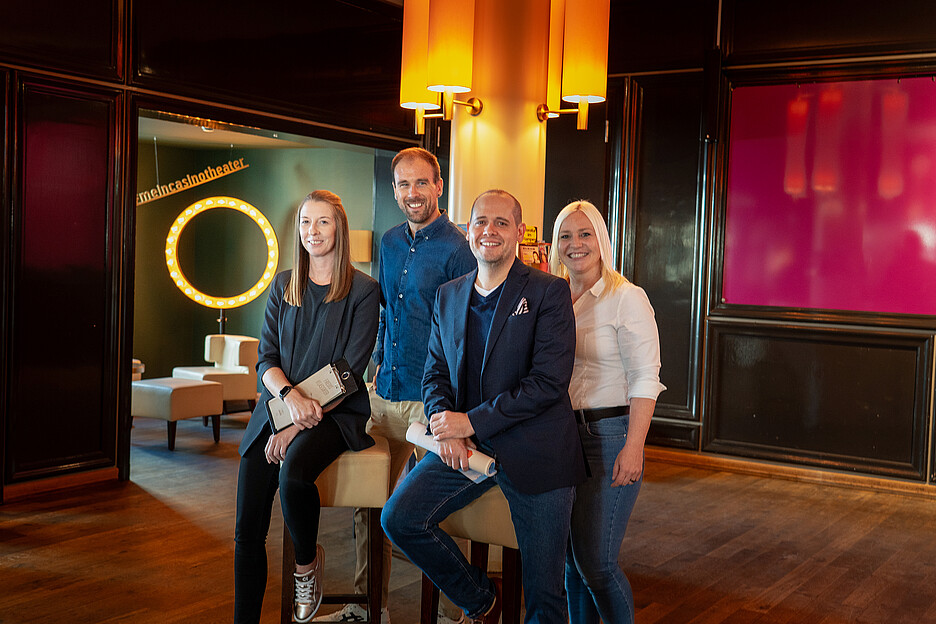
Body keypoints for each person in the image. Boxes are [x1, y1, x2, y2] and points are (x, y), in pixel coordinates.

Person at [381, 189, 586, 624]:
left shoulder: (549, 292)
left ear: (518, 231)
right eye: (479, 222)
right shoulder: (449, 294)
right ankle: (480, 600)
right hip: (467, 445)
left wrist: (467, 420)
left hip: (538, 451)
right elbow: (434, 372)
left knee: (545, 593)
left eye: (500, 223)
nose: (488, 231)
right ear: (467, 230)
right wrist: (446, 424)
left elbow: (547, 384)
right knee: (400, 518)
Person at [316, 147, 475, 624]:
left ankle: (456, 612)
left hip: (432, 401)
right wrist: (372, 367)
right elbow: (385, 315)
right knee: (368, 504)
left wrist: (449, 398)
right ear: (394, 190)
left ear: (439, 186)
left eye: (421, 183)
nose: (412, 193)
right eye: (403, 185)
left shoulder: (458, 247)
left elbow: (460, 331)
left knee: (440, 509)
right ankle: (370, 608)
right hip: (383, 393)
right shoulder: (387, 242)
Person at [234, 190, 380, 624]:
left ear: (339, 228)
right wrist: (289, 400)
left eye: (322, 223)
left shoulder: (364, 290)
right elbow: (266, 359)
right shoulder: (283, 285)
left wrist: (297, 424)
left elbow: (350, 370)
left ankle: (305, 566)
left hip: (338, 414)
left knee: (293, 472)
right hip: (279, 408)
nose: (312, 232)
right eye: (304, 223)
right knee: (246, 529)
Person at [549, 200, 665, 624]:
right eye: (565, 235)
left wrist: (634, 447)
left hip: (610, 435)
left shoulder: (626, 298)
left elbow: (645, 379)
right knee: (571, 563)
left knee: (596, 563)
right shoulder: (552, 295)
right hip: (562, 437)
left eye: (585, 234)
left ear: (602, 239)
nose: (575, 244)